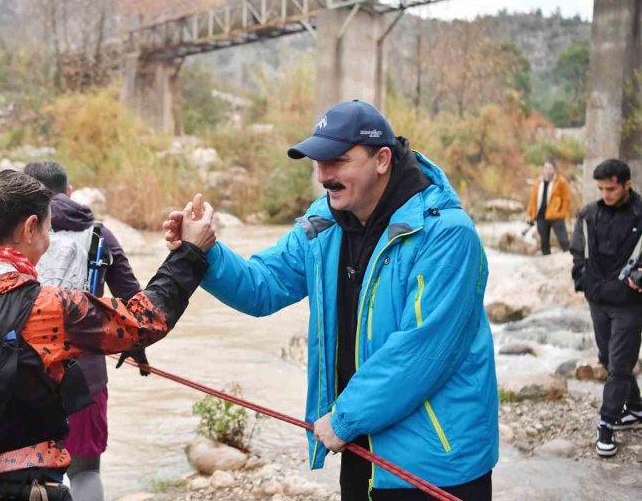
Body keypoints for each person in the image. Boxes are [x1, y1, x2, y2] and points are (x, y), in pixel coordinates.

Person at [164, 100, 497, 500]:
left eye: (337, 161)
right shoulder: (325, 222)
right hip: (361, 447)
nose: (324, 176)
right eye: (318, 162)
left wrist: (342, 418)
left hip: (436, 463)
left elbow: (421, 351)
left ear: (382, 159)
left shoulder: (447, 235)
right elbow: (262, 284)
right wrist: (202, 251)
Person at [0, 169, 215, 500]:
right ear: (30, 228)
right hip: (19, 489)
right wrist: (190, 251)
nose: (48, 239)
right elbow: (143, 320)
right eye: (48, 228)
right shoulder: (45, 308)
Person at [24, 160, 147, 501]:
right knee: (85, 472)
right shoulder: (98, 234)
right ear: (69, 192)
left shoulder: (13, 230)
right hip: (86, 376)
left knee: (23, 475)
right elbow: (134, 303)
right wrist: (136, 348)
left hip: (21, 373)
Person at [570, 158, 642, 457]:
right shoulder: (588, 213)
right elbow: (577, 252)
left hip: (630, 302)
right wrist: (582, 279)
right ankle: (637, 408)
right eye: (600, 189)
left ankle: (606, 424)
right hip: (597, 299)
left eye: (611, 188)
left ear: (626, 184)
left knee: (620, 364)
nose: (605, 194)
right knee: (609, 360)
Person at [526, 159, 571, 255]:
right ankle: (547, 263)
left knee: (563, 240)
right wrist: (530, 214)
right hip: (541, 216)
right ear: (542, 169)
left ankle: (570, 260)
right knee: (544, 243)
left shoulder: (561, 181)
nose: (548, 170)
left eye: (550, 168)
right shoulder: (538, 181)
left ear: (554, 169)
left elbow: (566, 199)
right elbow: (533, 199)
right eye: (545, 168)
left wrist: (562, 213)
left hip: (556, 215)